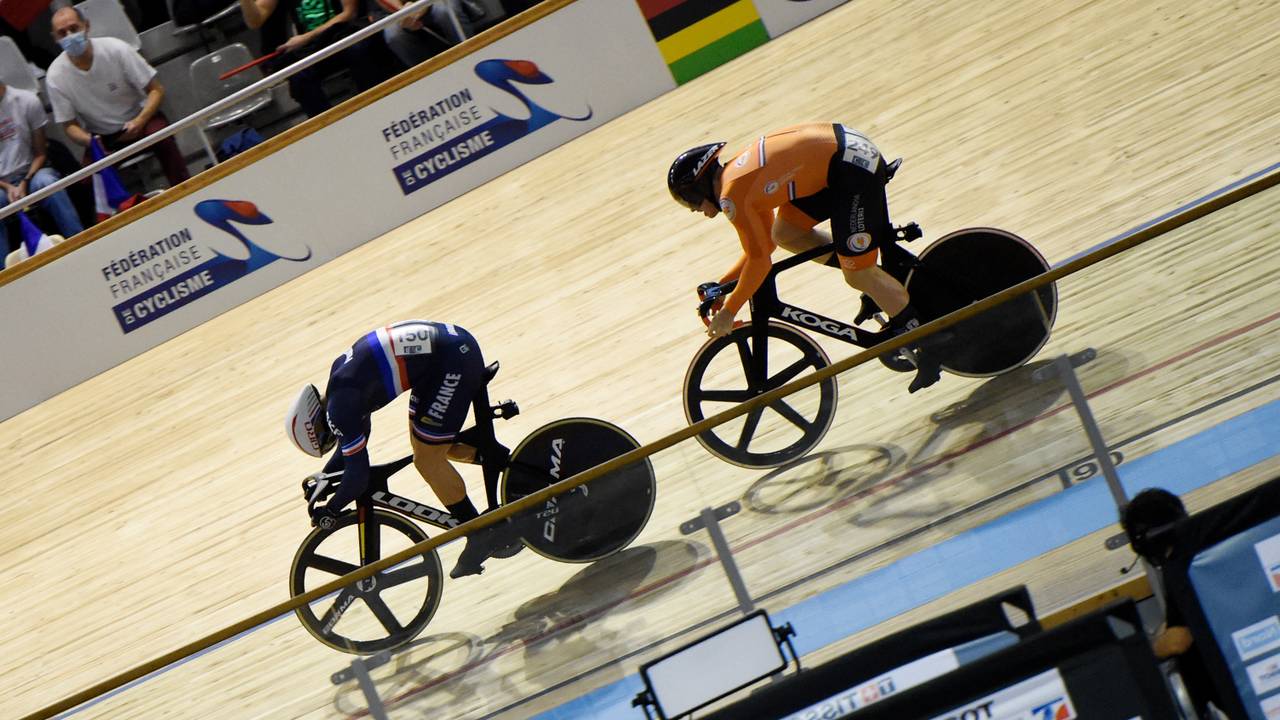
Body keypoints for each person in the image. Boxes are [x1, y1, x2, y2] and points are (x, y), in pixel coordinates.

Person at [668, 122, 944, 393]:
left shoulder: (732, 197)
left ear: (698, 187)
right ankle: (875, 276)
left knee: (858, 274)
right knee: (785, 233)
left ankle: (930, 344)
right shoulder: (736, 180)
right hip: (841, 157)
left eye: (688, 200)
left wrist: (729, 312)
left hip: (849, 168)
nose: (692, 209)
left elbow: (760, 262)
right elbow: (763, 248)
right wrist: (723, 286)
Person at [285, 320, 515, 578]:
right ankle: (504, 464)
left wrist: (332, 509)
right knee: (429, 445)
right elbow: (355, 442)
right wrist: (327, 476)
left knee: (427, 460)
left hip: (450, 361)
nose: (330, 441)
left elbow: (358, 475)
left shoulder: (340, 410)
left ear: (316, 427)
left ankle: (479, 534)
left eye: (323, 440)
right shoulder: (339, 386)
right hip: (448, 352)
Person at [45, 7, 190, 190]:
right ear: (55, 38)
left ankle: (185, 190)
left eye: (74, 29)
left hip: (142, 120)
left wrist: (140, 120)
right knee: (88, 181)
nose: (69, 36)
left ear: (86, 26)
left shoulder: (116, 49)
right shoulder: (55, 76)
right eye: (62, 33)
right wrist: (90, 141)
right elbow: (69, 125)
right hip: (102, 136)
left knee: (163, 139)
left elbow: (156, 90)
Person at [239, 0, 399, 118]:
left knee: (359, 49)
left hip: (343, 34)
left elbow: (349, 13)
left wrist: (306, 37)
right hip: (313, 46)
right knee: (298, 77)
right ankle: (327, 126)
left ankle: (376, 109)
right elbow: (255, 20)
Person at [0, 79, 84, 251]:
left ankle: (79, 242)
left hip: (33, 172)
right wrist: (8, 187)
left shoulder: (26, 101)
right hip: (2, 185)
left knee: (47, 183)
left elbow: (41, 153)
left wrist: (25, 181)